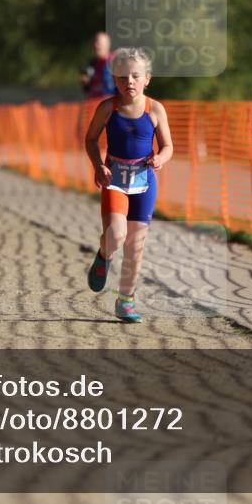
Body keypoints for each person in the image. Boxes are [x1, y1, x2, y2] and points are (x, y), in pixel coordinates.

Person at [83, 47, 173, 322]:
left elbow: (168, 146)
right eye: (122, 77)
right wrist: (98, 165)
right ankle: (104, 254)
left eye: (135, 76)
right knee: (116, 235)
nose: (129, 81)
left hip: (144, 182)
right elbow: (91, 139)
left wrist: (160, 158)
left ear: (147, 78)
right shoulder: (107, 108)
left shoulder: (155, 109)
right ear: (114, 79)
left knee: (135, 246)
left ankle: (126, 301)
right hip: (115, 179)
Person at [81, 32, 117, 98]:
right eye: (95, 42)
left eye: (99, 43)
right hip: (93, 102)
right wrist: (86, 83)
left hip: (110, 102)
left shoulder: (115, 62)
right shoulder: (93, 63)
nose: (95, 45)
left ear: (107, 45)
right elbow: (87, 89)